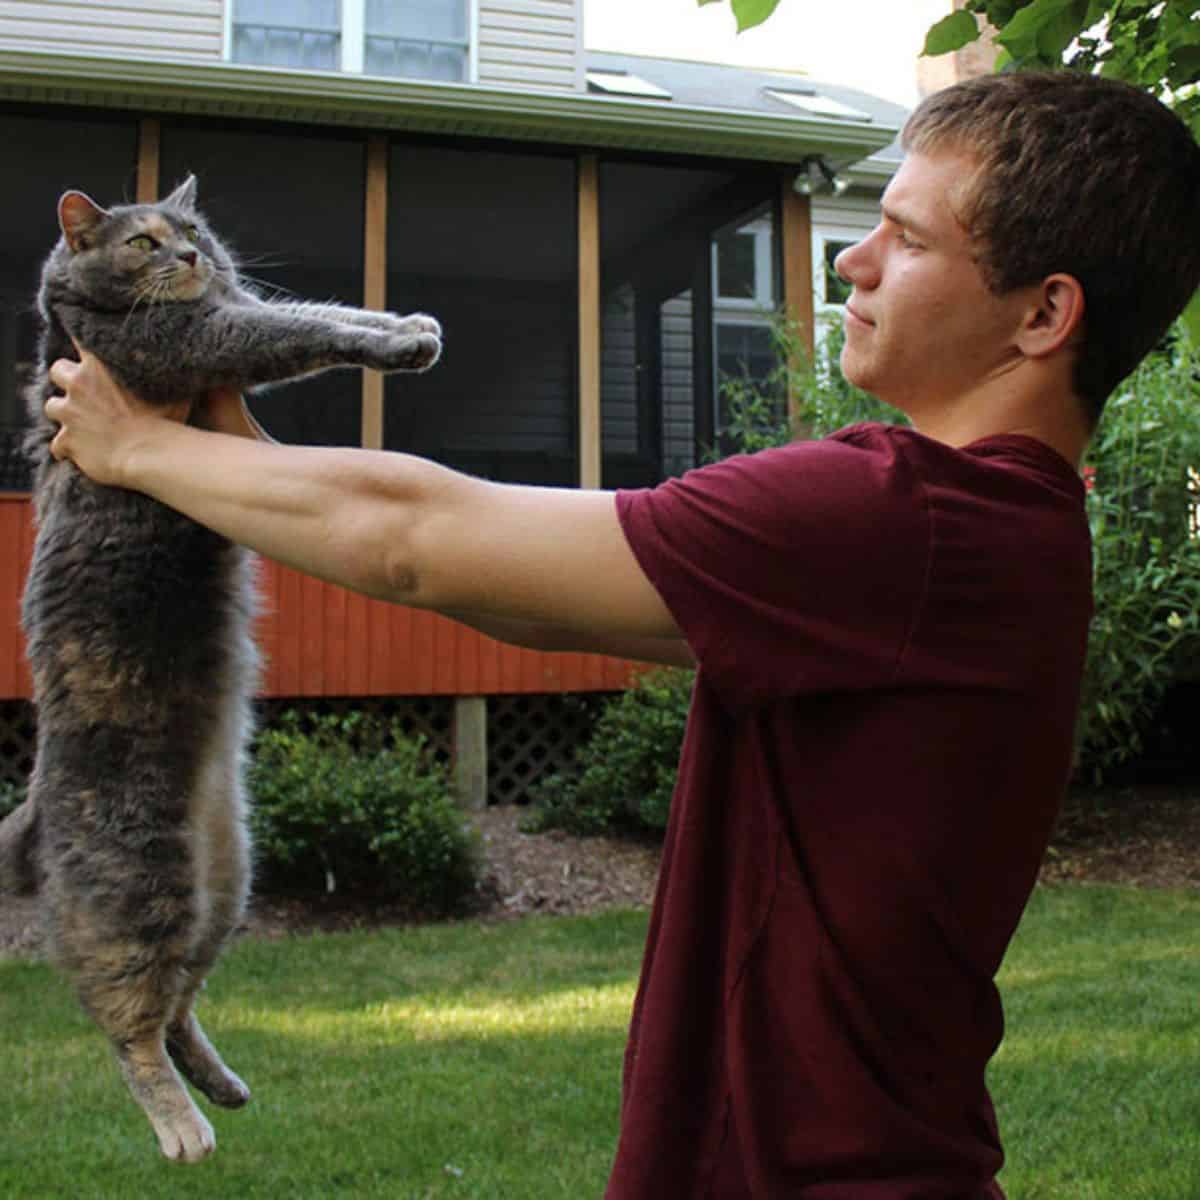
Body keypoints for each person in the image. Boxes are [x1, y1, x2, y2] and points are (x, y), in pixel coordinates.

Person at [44, 71, 1200, 1198]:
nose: (852, 255)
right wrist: (224, 453)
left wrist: (135, 449)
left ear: (1044, 314)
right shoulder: (989, 534)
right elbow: (519, 600)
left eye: (905, 235)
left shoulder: (909, 519)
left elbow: (418, 538)